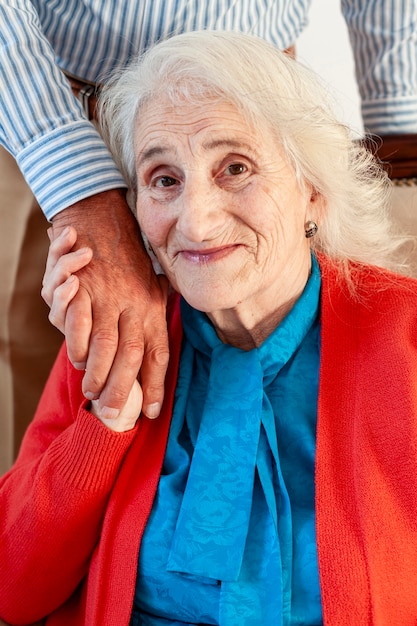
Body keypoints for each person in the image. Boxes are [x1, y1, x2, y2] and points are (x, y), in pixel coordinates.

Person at [1, 30, 417, 626]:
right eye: (164, 179)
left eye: (235, 168)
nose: (195, 221)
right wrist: (110, 412)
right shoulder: (119, 336)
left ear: (313, 192)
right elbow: (12, 591)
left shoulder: (406, 338)